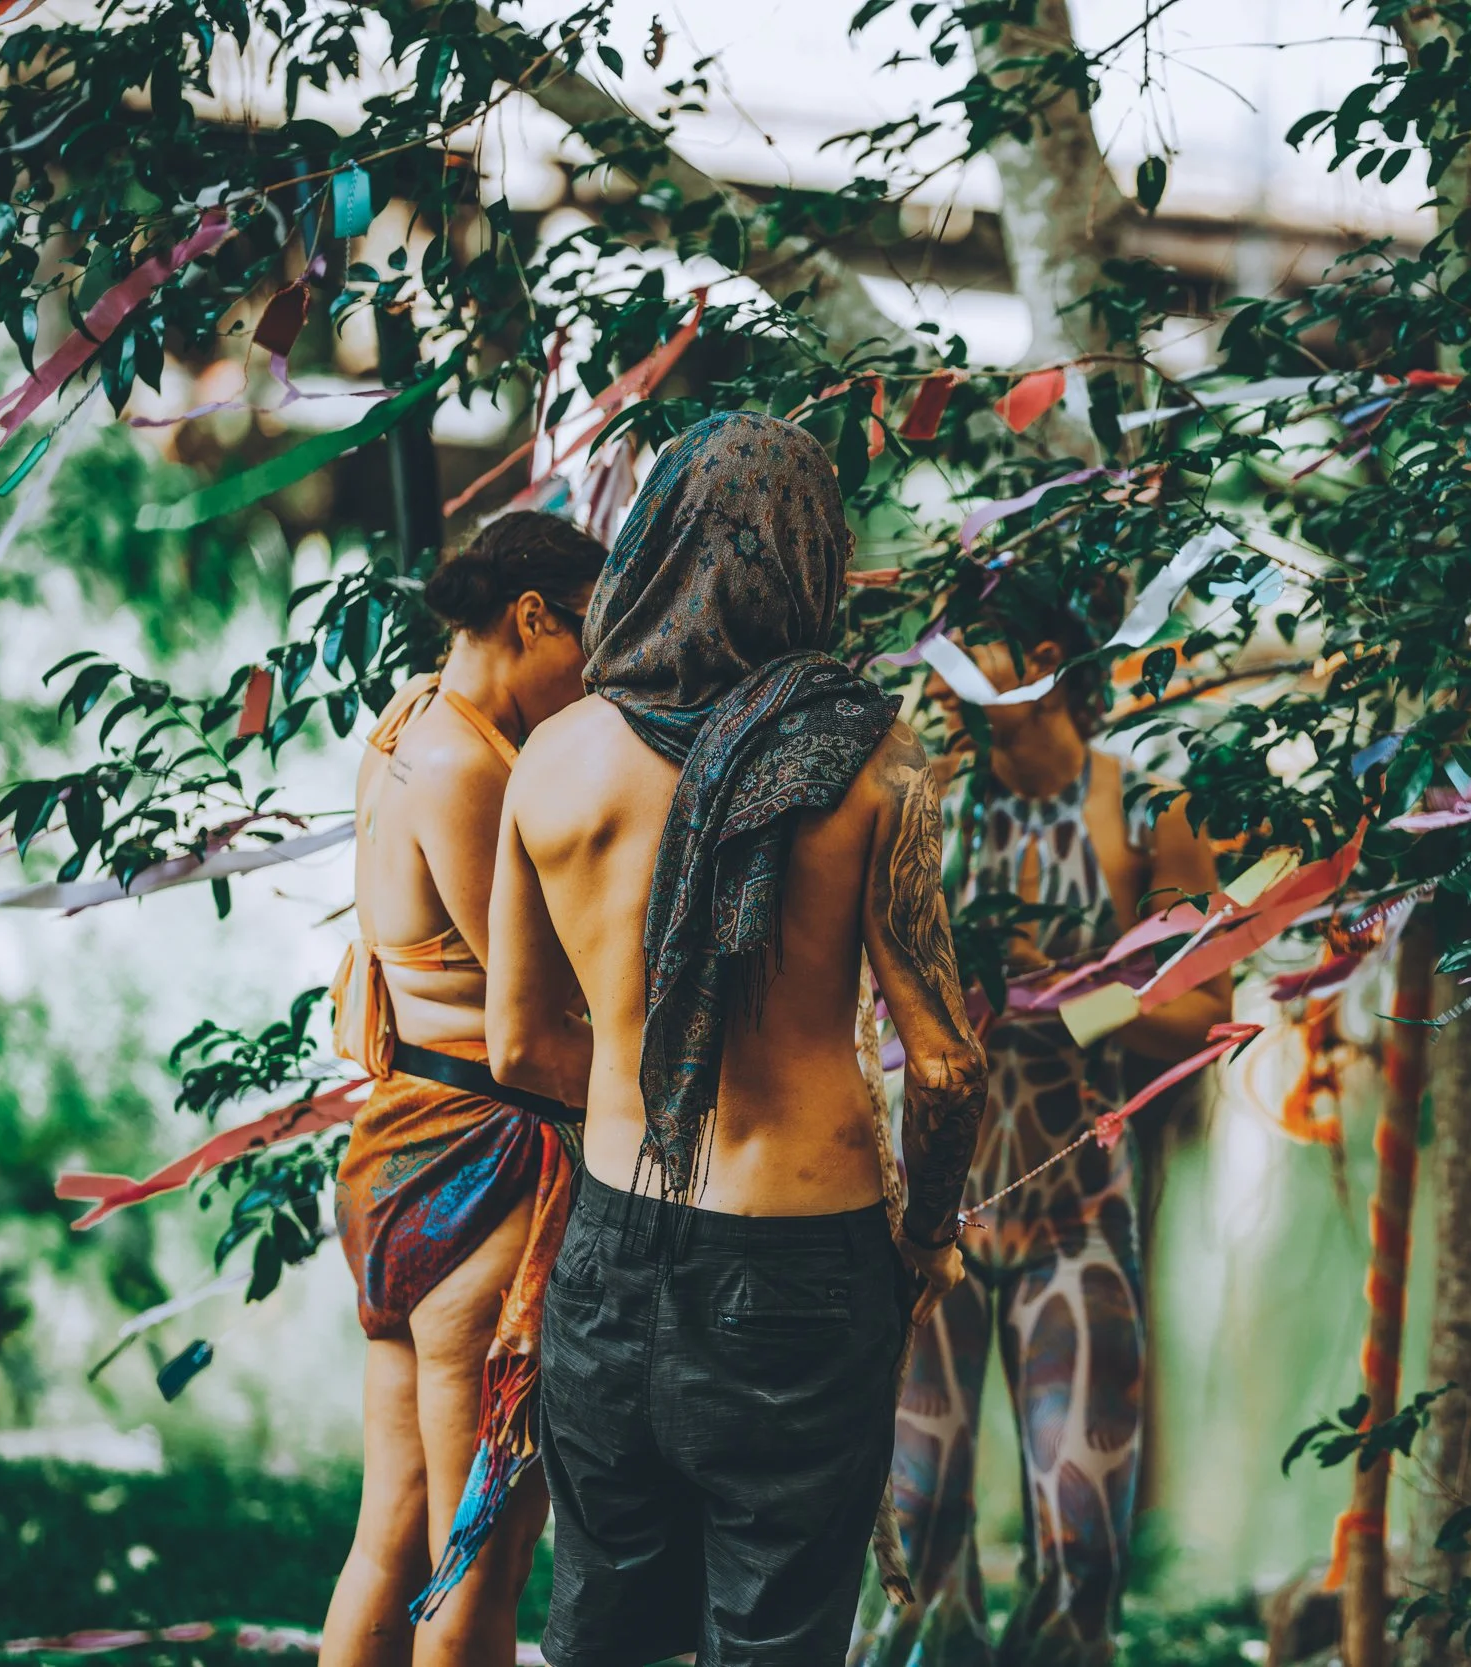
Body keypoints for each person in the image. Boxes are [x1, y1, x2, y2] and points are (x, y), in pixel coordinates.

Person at [484, 411, 989, 1667]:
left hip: (612, 1246)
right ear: (810, 558)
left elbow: (514, 1042)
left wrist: (638, 1089)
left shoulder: (552, 756)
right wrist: (925, 1238)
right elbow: (945, 1065)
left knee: (604, 1634)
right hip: (805, 1264)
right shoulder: (869, 760)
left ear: (654, 543)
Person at [854, 570, 1232, 1667]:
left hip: (1079, 1220)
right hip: (931, 1222)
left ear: (1055, 662)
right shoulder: (915, 806)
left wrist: (1069, 996)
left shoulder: (1149, 811)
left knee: (1084, 1545)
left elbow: (1209, 1014)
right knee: (913, 1543)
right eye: (951, 653)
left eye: (987, 650)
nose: (960, 675)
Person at [321, 511, 608, 1667]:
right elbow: (535, 1006)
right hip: (477, 1177)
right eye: (594, 638)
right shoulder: (466, 765)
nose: (598, 674)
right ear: (533, 616)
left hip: (400, 1164)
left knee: (390, 1542)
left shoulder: (404, 728)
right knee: (471, 1572)